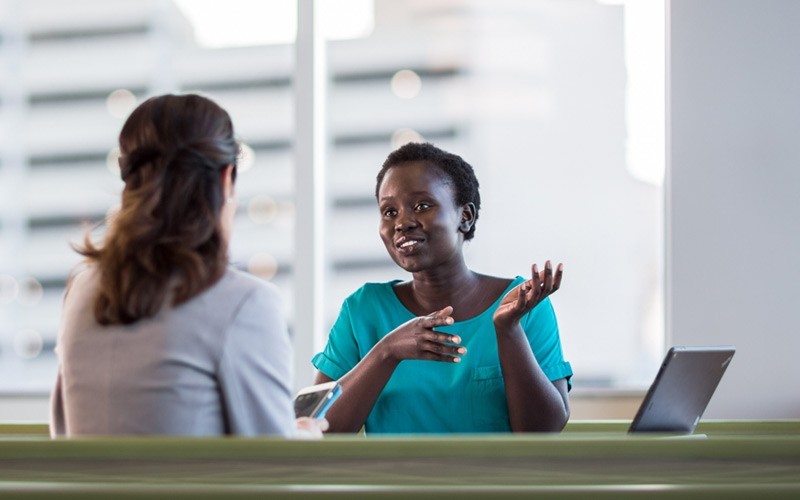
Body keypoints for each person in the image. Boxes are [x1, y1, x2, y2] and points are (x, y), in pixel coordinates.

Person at [50, 94, 323, 437]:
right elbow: (276, 469)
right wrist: (306, 434)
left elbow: (62, 432)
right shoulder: (245, 302)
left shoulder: (81, 289)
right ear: (226, 179)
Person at [312, 142, 572, 434]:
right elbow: (317, 428)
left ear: (466, 216)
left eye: (422, 206)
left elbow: (543, 431)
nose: (402, 223)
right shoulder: (362, 310)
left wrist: (508, 331)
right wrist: (386, 352)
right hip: (395, 480)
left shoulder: (525, 306)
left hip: (494, 480)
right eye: (389, 212)